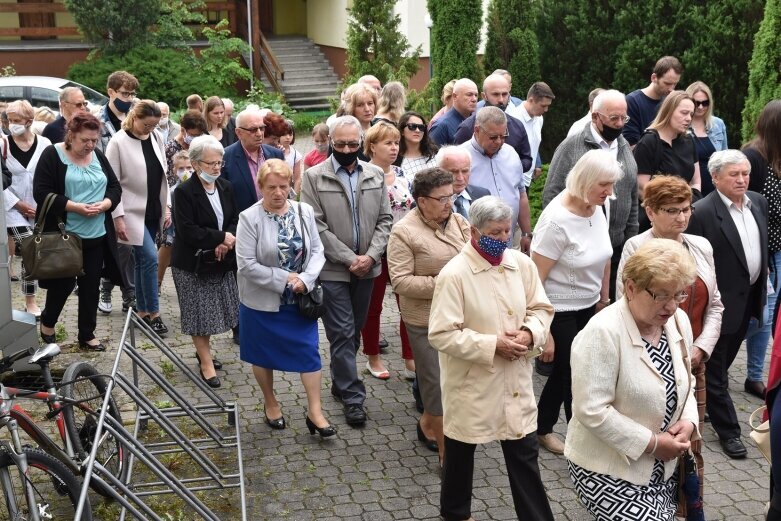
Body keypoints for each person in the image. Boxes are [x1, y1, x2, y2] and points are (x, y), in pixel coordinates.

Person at [428, 195, 555, 521]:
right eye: (494, 233)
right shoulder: (454, 274)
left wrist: (529, 333)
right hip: (472, 383)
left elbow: (541, 309)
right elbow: (441, 334)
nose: (502, 239)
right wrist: (491, 344)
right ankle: (455, 513)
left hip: (514, 381)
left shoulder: (521, 264)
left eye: (506, 231)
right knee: (460, 451)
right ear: (474, 231)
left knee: (523, 452)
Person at [565, 239, 699, 520]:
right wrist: (652, 443)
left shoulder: (678, 322)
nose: (672, 306)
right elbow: (591, 409)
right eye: (661, 295)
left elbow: (688, 381)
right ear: (630, 287)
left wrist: (688, 422)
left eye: (679, 295)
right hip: (608, 468)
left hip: (664, 471)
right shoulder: (602, 332)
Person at [617, 175, 723, 485]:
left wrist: (701, 348)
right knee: (652, 439)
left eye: (686, 209)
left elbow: (716, 305)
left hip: (693, 361)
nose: (682, 217)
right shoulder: (636, 247)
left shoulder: (701, 246)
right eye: (672, 210)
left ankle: (688, 508)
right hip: (649, 363)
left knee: (689, 441)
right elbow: (626, 307)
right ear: (650, 211)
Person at [299, 115, 393, 427]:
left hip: (368, 267)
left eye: (353, 144)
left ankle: (341, 382)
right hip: (332, 270)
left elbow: (385, 220)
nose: (347, 149)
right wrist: (349, 257)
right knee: (341, 332)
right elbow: (315, 224)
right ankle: (354, 398)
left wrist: (370, 255)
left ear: (361, 143)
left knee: (353, 331)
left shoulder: (376, 174)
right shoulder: (314, 177)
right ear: (330, 143)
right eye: (340, 144)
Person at [236, 158, 335, 437]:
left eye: (283, 186)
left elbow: (317, 252)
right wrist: (285, 280)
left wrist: (304, 279)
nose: (278, 193)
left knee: (309, 353)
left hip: (300, 302)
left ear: (291, 185)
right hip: (261, 303)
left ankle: (315, 412)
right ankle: (271, 403)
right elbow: (245, 265)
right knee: (262, 354)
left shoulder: (304, 211)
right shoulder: (249, 218)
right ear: (261, 188)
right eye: (271, 188)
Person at [531, 149, 620, 455]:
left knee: (566, 372)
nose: (610, 193)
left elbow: (605, 256)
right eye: (604, 185)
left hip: (589, 305)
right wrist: (545, 331)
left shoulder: (598, 206)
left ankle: (541, 428)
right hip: (559, 309)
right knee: (574, 374)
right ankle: (581, 443)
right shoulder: (556, 221)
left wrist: (604, 299)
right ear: (585, 181)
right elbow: (535, 280)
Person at [687, 149, 768, 459]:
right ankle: (729, 432)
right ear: (715, 177)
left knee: (722, 364)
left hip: (748, 302)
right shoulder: (702, 213)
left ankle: (699, 402)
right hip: (718, 307)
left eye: (745, 173)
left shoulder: (757, 202)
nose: (742, 179)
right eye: (734, 174)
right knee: (718, 371)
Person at [387, 166, 471, 463]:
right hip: (426, 321)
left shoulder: (459, 222)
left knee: (459, 381)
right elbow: (400, 281)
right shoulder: (403, 231)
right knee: (435, 385)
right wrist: (448, 284)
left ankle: (426, 424)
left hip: (460, 317)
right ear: (422, 201)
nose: (450, 203)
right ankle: (447, 459)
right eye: (442, 198)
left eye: (451, 196)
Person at [33, 112, 123, 351]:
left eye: (94, 140)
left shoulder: (98, 156)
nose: (90, 145)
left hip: (96, 235)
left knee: (90, 286)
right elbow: (41, 193)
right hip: (65, 235)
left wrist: (105, 205)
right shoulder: (53, 154)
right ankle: (48, 322)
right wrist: (74, 207)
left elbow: (114, 187)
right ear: (71, 135)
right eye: (85, 140)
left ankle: (87, 334)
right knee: (62, 285)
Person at [542, 89, 639, 300]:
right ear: (595, 116)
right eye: (614, 118)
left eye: (624, 117)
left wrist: (630, 240)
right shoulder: (572, 147)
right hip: (579, 256)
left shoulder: (624, 148)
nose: (620, 124)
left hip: (615, 251)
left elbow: (632, 197)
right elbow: (552, 193)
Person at [170, 135, 239, 388]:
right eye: (211, 164)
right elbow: (187, 230)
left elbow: (234, 217)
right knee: (199, 314)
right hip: (192, 263)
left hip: (220, 260)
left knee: (215, 311)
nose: (217, 168)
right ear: (197, 164)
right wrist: (220, 237)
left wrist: (226, 240)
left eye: (220, 163)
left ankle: (204, 352)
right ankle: (206, 361)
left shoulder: (226, 187)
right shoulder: (184, 192)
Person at [106, 99, 170, 336]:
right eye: (146, 125)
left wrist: (168, 206)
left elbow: (165, 174)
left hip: (154, 207)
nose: (150, 129)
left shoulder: (156, 138)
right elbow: (112, 183)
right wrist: (117, 216)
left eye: (154, 125)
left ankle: (141, 312)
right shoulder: (118, 142)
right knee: (151, 257)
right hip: (130, 211)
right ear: (134, 117)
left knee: (144, 261)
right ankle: (154, 313)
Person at [359, 122, 415, 380]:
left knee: (408, 305)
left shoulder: (402, 174)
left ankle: (411, 358)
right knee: (373, 306)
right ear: (372, 146)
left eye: (396, 143)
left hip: (403, 249)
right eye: (388, 143)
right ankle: (373, 357)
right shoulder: (362, 175)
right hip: (376, 249)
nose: (394, 148)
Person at [743, 100, 781, 400]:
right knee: (760, 317)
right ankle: (714, 365)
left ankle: (755, 375)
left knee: (768, 317)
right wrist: (762, 255)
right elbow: (748, 210)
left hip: (778, 251)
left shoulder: (778, 158)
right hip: (760, 251)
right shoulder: (753, 158)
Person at [459, 106, 533, 251]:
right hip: (475, 246)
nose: (499, 142)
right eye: (493, 137)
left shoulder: (511, 153)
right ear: (477, 130)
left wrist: (526, 233)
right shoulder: (461, 157)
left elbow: (521, 195)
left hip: (509, 242)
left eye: (503, 136)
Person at [3, 100, 51, 317]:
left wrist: (42, 205)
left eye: (16, 120)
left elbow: (51, 176)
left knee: (31, 254)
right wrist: (18, 205)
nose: (11, 124)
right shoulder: (2, 144)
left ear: (29, 121)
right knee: (30, 246)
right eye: (9, 120)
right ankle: (29, 302)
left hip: (38, 208)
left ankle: (29, 299)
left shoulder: (45, 144)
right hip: (10, 207)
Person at [97, 70, 139, 314]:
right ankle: (116, 288)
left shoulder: (135, 118)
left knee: (129, 244)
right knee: (119, 245)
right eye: (125, 93)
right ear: (111, 92)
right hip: (107, 193)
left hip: (134, 192)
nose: (129, 98)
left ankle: (121, 290)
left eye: (132, 93)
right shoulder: (98, 120)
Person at [633, 90, 701, 232]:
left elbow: (696, 181)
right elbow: (641, 188)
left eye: (691, 114)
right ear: (668, 111)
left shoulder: (688, 141)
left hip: (687, 216)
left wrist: (689, 207)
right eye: (684, 113)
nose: (688, 118)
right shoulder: (649, 142)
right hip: (658, 221)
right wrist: (670, 209)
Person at [453, 74, 533, 173]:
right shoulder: (467, 128)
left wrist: (509, 167)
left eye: (504, 94)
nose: (501, 100)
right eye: (495, 94)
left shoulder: (517, 126)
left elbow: (527, 159)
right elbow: (455, 164)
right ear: (484, 96)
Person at [221, 108, 285, 214]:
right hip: (243, 223)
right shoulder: (225, 158)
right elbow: (224, 200)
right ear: (238, 132)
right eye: (253, 130)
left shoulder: (276, 154)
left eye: (262, 128)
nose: (259, 133)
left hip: (275, 217)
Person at [623, 56, 683, 146]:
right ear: (654, 78)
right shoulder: (633, 101)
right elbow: (630, 144)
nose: (671, 89)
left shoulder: (670, 101)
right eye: (667, 83)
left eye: (675, 84)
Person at [506, 81, 556, 186]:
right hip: (513, 180)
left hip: (527, 179)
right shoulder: (513, 119)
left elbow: (533, 144)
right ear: (531, 100)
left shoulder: (539, 118)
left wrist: (536, 164)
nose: (546, 110)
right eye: (543, 106)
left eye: (548, 106)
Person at [157, 151, 193, 289]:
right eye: (181, 169)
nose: (186, 172)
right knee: (167, 247)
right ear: (174, 170)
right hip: (174, 233)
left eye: (189, 168)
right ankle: (158, 281)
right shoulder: (173, 191)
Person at [685, 81, 728, 195]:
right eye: (696, 102)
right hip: (689, 187)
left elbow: (725, 158)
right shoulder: (681, 125)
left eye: (705, 103)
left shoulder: (718, 124)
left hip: (716, 186)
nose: (700, 107)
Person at [435, 146, 490, 220]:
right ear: (438, 171)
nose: (460, 178)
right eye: (453, 172)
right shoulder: (428, 203)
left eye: (465, 171)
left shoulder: (483, 195)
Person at [430, 78, 478, 146]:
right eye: (469, 95)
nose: (474, 99)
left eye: (476, 95)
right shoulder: (441, 126)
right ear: (455, 96)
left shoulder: (478, 120)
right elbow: (433, 155)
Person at [164, 110, 208, 179]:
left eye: (199, 135)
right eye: (193, 135)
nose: (196, 138)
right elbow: (167, 178)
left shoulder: (200, 146)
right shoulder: (169, 149)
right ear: (183, 130)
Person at [395, 111, 438, 181]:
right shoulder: (394, 159)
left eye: (421, 127)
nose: (417, 130)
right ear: (402, 131)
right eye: (412, 126)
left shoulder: (434, 154)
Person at [279, 119, 302, 194]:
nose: (288, 137)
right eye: (284, 134)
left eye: (290, 134)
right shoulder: (271, 151)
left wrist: (294, 197)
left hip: (288, 190)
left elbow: (297, 178)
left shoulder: (296, 154)